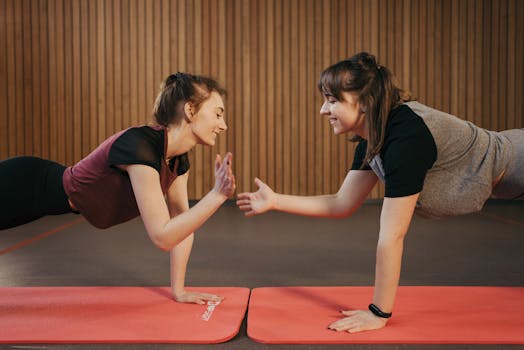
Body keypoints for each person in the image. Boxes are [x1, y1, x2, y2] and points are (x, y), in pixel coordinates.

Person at [237, 52, 523, 333]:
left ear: (365, 103)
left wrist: (378, 313)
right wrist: (275, 200)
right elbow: (342, 203)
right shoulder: (374, 137)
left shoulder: (405, 138)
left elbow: (392, 236)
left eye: (333, 100)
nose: (323, 110)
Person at [0, 72, 236, 305]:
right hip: (23, 183)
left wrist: (179, 291)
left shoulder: (178, 161)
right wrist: (216, 196)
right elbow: (163, 236)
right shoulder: (140, 146)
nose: (223, 125)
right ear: (190, 110)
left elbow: (182, 225)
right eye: (217, 114)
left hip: (43, 203)